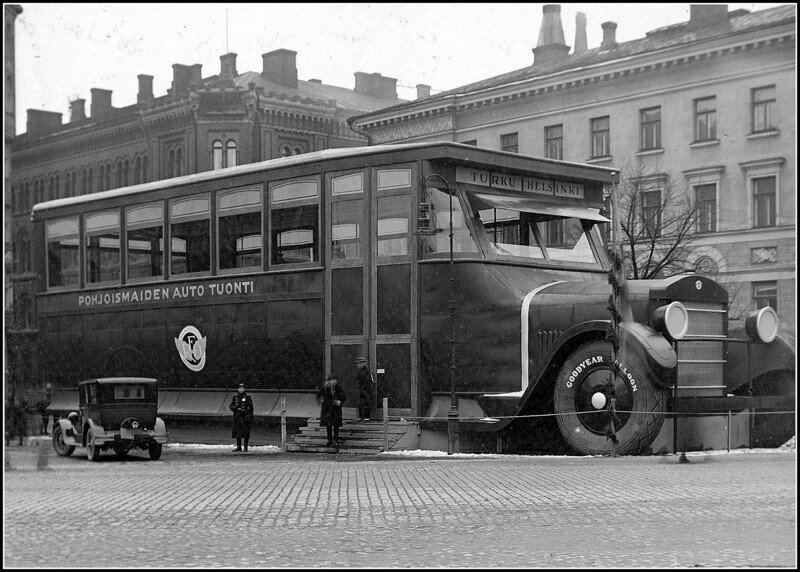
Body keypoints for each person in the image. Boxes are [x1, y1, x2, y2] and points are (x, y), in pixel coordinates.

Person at [318, 374, 346, 447]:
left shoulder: (338, 388)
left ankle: (335, 440)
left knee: (336, 425)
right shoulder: (325, 388)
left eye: (335, 380)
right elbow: (319, 395)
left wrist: (340, 401)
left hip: (336, 409)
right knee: (328, 425)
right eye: (332, 380)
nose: (334, 381)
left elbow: (343, 396)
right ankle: (329, 439)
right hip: (328, 409)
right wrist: (321, 400)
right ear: (329, 381)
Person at [229, 383, 254, 452]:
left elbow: (251, 407)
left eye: (242, 388)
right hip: (237, 416)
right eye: (240, 388)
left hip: (245, 416)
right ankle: (239, 447)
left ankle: (245, 447)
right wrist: (234, 407)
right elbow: (231, 405)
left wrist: (249, 416)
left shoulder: (247, 397)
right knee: (238, 433)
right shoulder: (235, 396)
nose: (241, 390)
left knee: (245, 433)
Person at [355, 356, 376, 421]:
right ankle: (362, 416)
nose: (358, 365)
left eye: (359, 363)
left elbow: (369, 382)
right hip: (363, 390)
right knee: (362, 403)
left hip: (365, 390)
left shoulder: (366, 372)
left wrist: (364, 389)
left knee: (365, 403)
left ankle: (365, 416)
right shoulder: (362, 371)